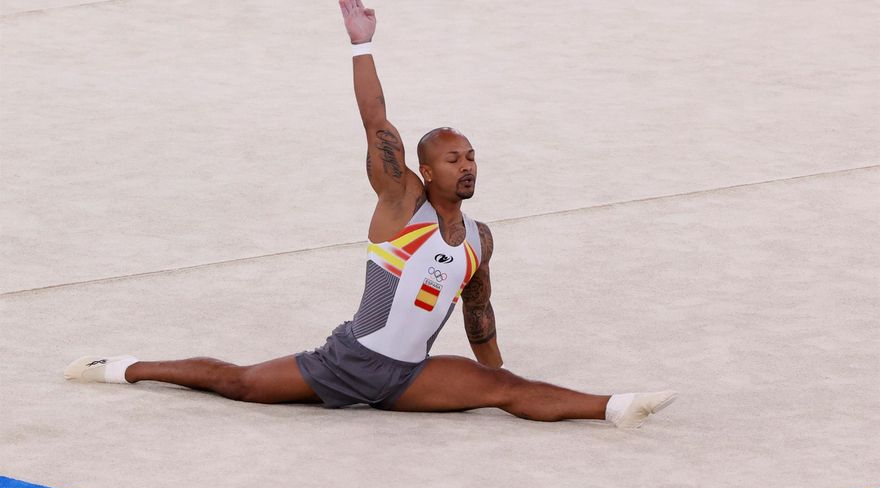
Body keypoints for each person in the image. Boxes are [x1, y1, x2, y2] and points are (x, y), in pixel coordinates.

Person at [65, 0, 677, 428]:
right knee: (240, 384)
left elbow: (479, 314)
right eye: (452, 159)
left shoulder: (480, 240)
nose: (467, 167)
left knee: (506, 393)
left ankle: (615, 406)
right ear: (424, 170)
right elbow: (375, 119)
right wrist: (362, 41)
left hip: (412, 376)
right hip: (349, 362)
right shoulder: (400, 203)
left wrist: (496, 372)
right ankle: (123, 367)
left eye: (472, 157)